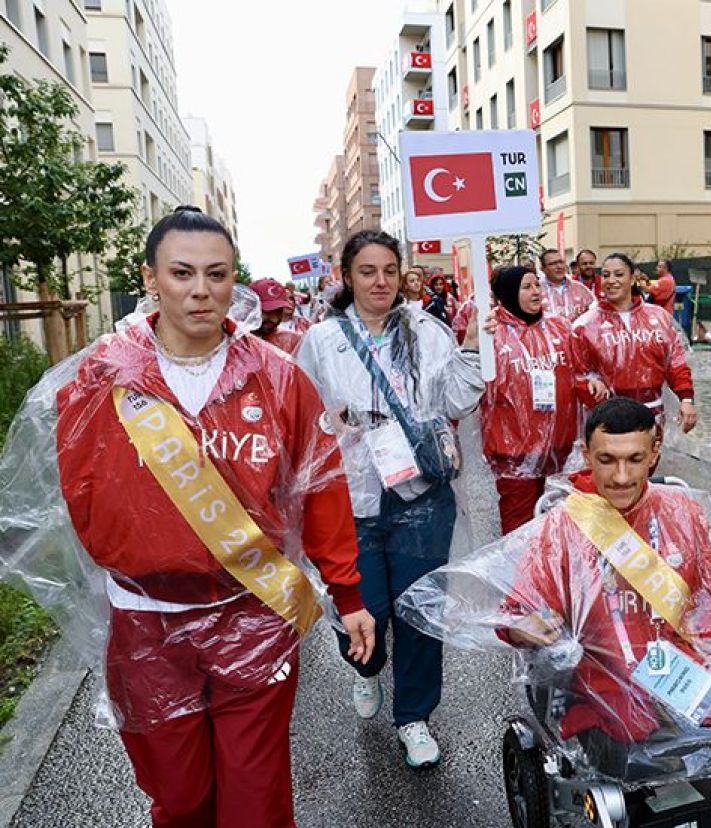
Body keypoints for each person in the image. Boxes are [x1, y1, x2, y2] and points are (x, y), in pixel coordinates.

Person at [46, 206, 375, 825]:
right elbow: (78, 488)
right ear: (150, 278)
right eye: (182, 273)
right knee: (182, 800)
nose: (201, 290)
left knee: (257, 801)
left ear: (234, 282)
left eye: (217, 274)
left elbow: (323, 490)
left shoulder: (277, 378)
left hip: (254, 610)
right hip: (147, 624)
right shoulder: (102, 379)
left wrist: (348, 593)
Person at [401, 398, 711, 782]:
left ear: (655, 452)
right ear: (586, 454)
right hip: (604, 677)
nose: (622, 476)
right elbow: (517, 610)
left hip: (684, 667)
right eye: (607, 459)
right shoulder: (563, 528)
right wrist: (522, 627)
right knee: (634, 730)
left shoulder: (682, 511)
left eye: (635, 459)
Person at [296, 230, 489, 767]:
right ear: (347, 277)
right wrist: (329, 425)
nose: (380, 281)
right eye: (367, 271)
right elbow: (301, 412)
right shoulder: (322, 340)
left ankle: (414, 716)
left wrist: (475, 349)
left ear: (401, 274)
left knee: (420, 612)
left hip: (422, 494)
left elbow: (454, 400)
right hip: (349, 497)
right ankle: (365, 667)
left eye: (388, 270)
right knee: (364, 611)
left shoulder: (428, 331)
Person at [480, 265, 604, 533]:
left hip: (558, 447)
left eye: (537, 284)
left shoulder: (559, 328)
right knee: (520, 527)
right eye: (526, 287)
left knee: (557, 522)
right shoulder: (492, 335)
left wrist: (591, 388)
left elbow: (577, 373)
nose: (536, 292)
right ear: (508, 294)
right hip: (514, 450)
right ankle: (520, 574)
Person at [571, 252, 697, 435]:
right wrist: (592, 389)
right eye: (606, 275)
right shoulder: (585, 325)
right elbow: (577, 374)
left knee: (648, 462)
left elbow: (675, 363)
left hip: (652, 412)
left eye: (619, 274)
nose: (611, 280)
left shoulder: (658, 317)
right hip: (606, 417)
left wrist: (686, 399)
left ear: (632, 279)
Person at [249, 278, 304, 355]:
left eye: (279, 311)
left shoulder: (289, 342)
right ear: (249, 307)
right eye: (268, 311)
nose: (274, 319)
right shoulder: (232, 341)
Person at [539, 248, 594, 321]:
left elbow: (595, 316)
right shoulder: (536, 291)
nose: (559, 266)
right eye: (552, 264)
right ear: (543, 269)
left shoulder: (581, 289)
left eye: (561, 262)